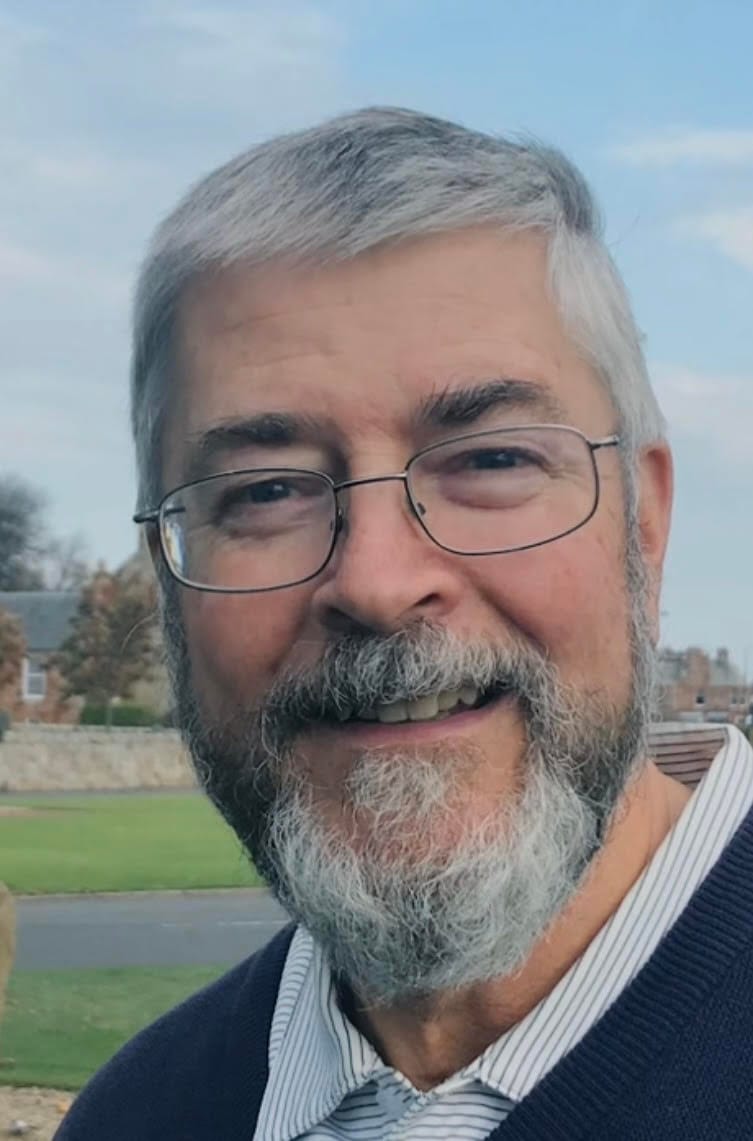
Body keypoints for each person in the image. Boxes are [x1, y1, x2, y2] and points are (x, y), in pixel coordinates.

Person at [56, 108, 753, 1141]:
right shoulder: (138, 1114)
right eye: (265, 490)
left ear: (644, 524)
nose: (378, 582)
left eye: (492, 460)